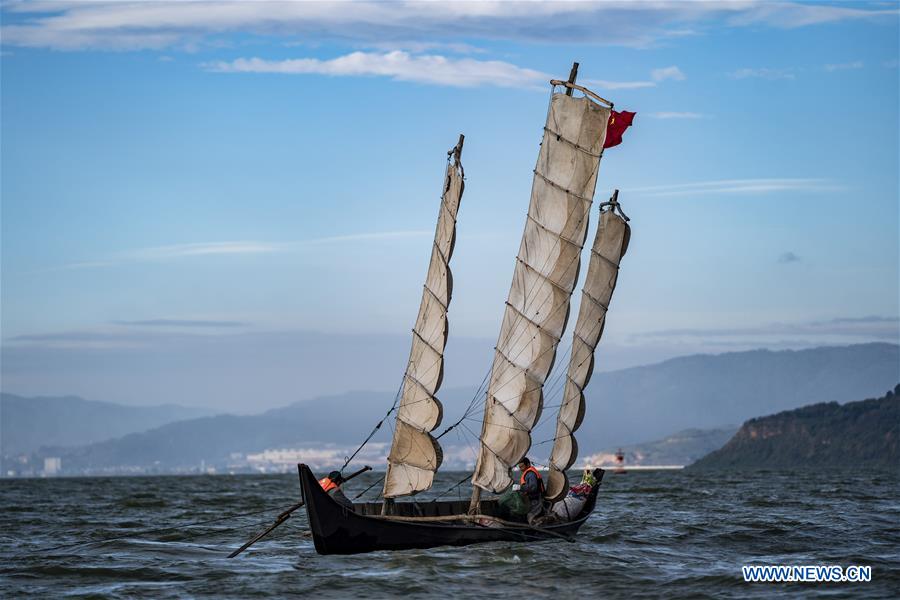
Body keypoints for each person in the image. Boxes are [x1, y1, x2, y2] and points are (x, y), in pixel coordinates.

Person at [516, 457, 545, 524]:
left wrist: (520, 487)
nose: (521, 469)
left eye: (522, 466)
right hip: (531, 499)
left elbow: (533, 487)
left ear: (528, 464)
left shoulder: (531, 474)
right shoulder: (527, 473)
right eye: (519, 467)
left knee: (530, 516)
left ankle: (538, 527)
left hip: (536, 500)